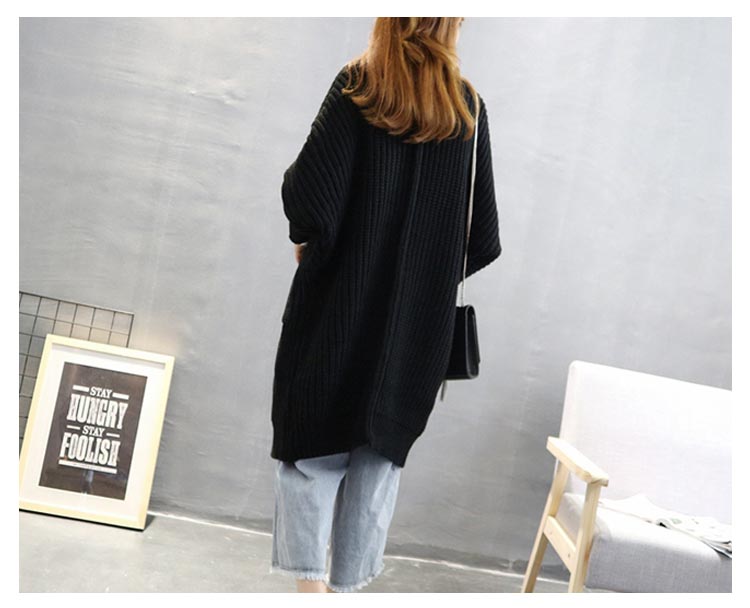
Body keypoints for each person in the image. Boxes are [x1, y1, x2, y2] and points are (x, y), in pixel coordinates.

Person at [269, 17, 502, 593]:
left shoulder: (359, 85)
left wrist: (315, 245)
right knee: (378, 461)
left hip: (335, 315)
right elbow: (482, 239)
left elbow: (308, 198)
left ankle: (309, 594)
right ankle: (346, 592)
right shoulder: (468, 109)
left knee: (311, 454)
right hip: (415, 334)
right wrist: (424, 279)